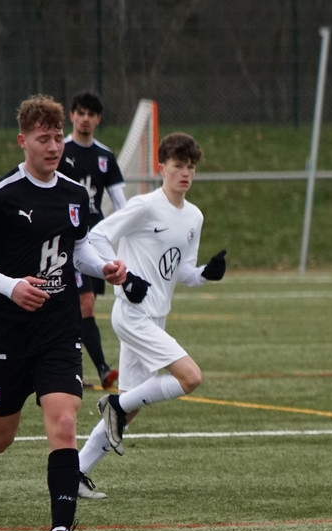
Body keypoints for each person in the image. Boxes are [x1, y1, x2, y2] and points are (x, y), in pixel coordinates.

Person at [0, 94, 138, 531]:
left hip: (58, 330)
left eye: (57, 137)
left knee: (63, 423)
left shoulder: (74, 193)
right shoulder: (3, 195)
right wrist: (11, 287)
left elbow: (77, 250)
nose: (53, 146)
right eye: (43, 139)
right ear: (23, 141)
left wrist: (104, 267)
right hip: (6, 335)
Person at [76, 132, 227, 499]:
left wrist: (206, 274)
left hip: (157, 317)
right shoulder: (144, 206)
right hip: (132, 314)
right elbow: (96, 237)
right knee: (190, 377)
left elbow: (182, 271)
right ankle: (113, 404)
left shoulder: (194, 216)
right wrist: (123, 276)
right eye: (178, 166)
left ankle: (73, 473)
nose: (185, 173)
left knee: (132, 407)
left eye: (190, 167)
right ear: (162, 168)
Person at [58, 91, 127, 390]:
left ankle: (70, 370)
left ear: (98, 119)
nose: (85, 119)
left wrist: (131, 230)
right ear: (71, 116)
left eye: (91, 114)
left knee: (80, 308)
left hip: (94, 242)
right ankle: (102, 368)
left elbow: (121, 203)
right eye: (80, 113)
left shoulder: (105, 156)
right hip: (67, 240)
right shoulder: (60, 151)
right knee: (83, 303)